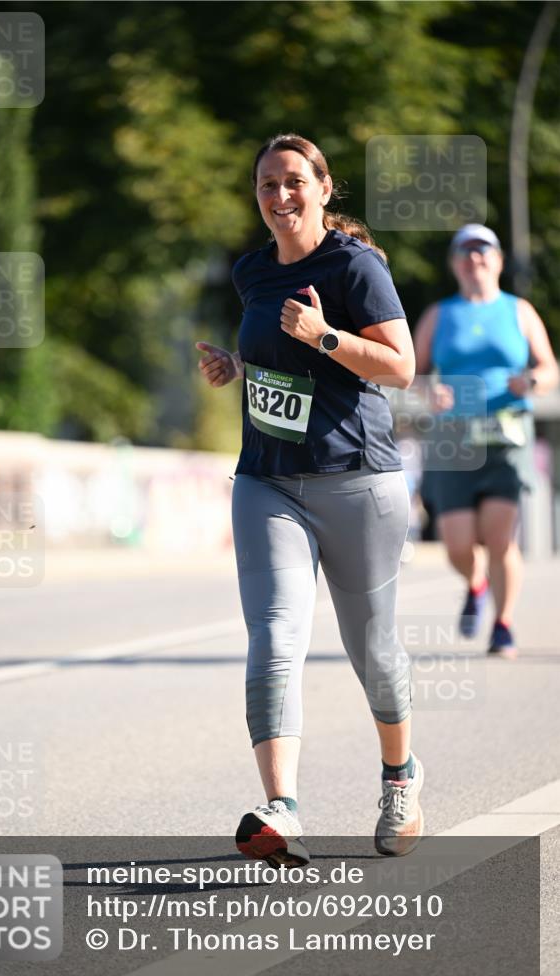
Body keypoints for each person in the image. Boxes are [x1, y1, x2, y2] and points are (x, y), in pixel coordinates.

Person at [196, 133, 420, 866]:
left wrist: (326, 337)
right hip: (266, 480)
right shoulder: (251, 271)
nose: (280, 195)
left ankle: (399, 776)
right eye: (267, 184)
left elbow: (400, 368)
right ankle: (281, 807)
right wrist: (238, 366)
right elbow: (277, 354)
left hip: (357, 481)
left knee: (373, 651)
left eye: (294, 180)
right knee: (273, 636)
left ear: (324, 188)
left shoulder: (355, 267)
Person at [413, 224, 558, 658]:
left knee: (500, 539)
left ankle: (503, 624)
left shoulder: (519, 311)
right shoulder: (439, 314)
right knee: (457, 543)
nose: (474, 259)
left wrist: (532, 380)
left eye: (483, 251)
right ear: (454, 263)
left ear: (497, 260)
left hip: (506, 434)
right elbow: (411, 372)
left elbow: (549, 368)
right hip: (453, 437)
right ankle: (475, 583)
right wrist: (428, 390)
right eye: (465, 252)